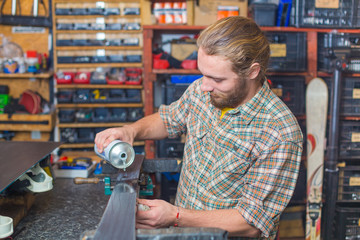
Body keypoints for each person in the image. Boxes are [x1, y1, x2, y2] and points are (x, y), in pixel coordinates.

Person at [95, 16, 303, 239]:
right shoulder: (203, 91)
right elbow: (168, 119)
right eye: (203, 74)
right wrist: (131, 130)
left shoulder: (279, 132)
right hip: (183, 230)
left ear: (252, 72)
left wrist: (175, 216)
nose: (204, 85)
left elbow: (251, 221)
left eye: (217, 79)